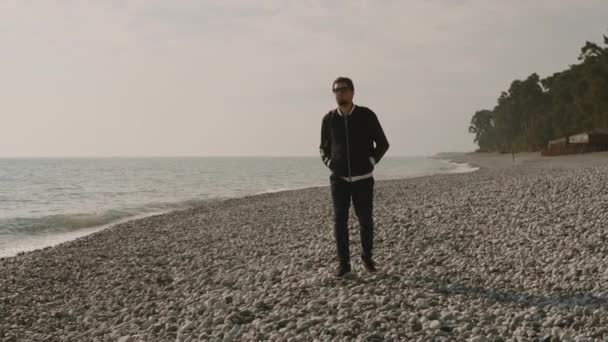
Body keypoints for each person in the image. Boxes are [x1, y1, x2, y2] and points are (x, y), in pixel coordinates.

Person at [319, 76, 390, 277]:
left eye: (342, 89)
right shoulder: (329, 119)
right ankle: (344, 265)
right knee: (339, 221)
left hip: (363, 179)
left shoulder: (366, 115)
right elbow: (323, 148)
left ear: (352, 92)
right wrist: (330, 163)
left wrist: (371, 162)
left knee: (365, 219)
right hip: (339, 180)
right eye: (336, 90)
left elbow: (383, 144)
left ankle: (367, 258)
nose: (339, 93)